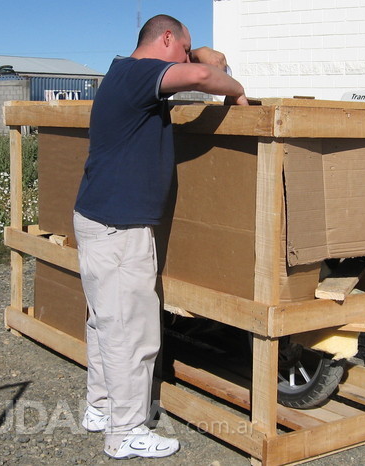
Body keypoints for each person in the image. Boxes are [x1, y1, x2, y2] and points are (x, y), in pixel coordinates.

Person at [73, 14, 248, 459]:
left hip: (102, 221)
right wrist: (236, 89)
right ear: (166, 39)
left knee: (106, 325)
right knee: (133, 333)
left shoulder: (121, 73)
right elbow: (207, 76)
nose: (188, 57)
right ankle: (126, 431)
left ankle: (101, 408)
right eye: (183, 49)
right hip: (120, 228)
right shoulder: (139, 74)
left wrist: (205, 54)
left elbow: (205, 62)